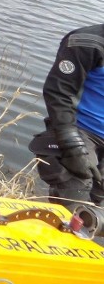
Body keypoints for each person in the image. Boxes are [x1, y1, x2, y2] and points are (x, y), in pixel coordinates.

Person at [30, 24, 104, 209]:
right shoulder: (87, 42)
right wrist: (72, 146)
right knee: (75, 209)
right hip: (81, 131)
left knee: (97, 212)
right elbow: (59, 93)